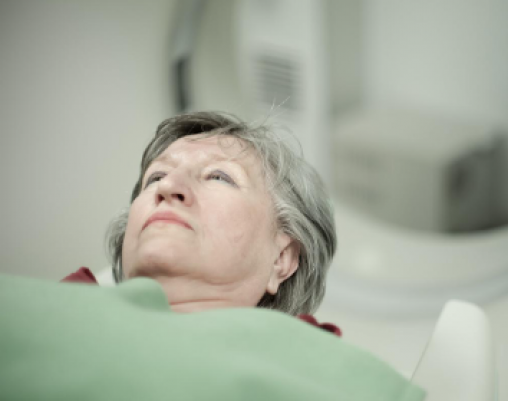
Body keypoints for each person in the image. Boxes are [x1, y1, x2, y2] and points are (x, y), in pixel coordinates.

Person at [63, 111, 339, 334]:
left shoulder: (321, 375)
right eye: (156, 177)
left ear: (281, 259)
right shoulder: (50, 316)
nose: (168, 185)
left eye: (219, 176)